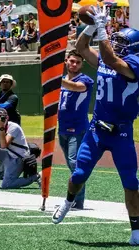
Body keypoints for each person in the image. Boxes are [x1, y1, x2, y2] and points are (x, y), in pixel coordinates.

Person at [52, 5, 139, 246]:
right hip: (96, 130)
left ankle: (136, 230)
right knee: (79, 174)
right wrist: (90, 25)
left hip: (121, 132)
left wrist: (101, 28)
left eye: (122, 42)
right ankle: (68, 201)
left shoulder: (134, 64)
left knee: (131, 183)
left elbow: (111, 59)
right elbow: (81, 48)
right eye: (116, 40)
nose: (117, 43)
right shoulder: (105, 57)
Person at [58, 49, 94, 210]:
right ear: (66, 61)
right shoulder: (63, 80)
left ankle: (77, 200)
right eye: (71, 61)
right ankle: (75, 198)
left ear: (82, 64)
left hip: (78, 128)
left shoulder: (85, 80)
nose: (74, 64)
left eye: (78, 62)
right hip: (62, 128)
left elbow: (76, 87)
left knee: (75, 163)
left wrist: (52, 79)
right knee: (70, 164)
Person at [0, 108, 40, 189]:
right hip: (7, 155)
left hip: (18, 158)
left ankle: (36, 176)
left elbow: (4, 145)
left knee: (6, 185)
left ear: (7, 118)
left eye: (2, 117)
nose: (0, 119)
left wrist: (2, 128)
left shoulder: (14, 127)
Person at [0, 74, 21, 179]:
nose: (5, 83)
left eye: (7, 82)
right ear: (0, 84)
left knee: (9, 148)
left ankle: (9, 171)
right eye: (3, 81)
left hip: (10, 126)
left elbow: (6, 106)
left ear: (11, 84)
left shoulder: (13, 97)